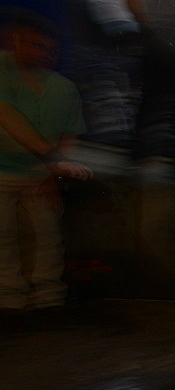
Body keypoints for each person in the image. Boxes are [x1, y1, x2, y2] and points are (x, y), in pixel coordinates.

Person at [0, 9, 91, 325]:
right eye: (37, 46)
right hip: (3, 170)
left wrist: (53, 176)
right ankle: (9, 300)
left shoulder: (63, 87)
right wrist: (55, 162)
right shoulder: (2, 70)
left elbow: (69, 133)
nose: (45, 55)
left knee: (46, 235)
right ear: (17, 41)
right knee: (3, 236)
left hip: (40, 174)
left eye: (51, 50)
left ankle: (48, 299)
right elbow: (7, 117)